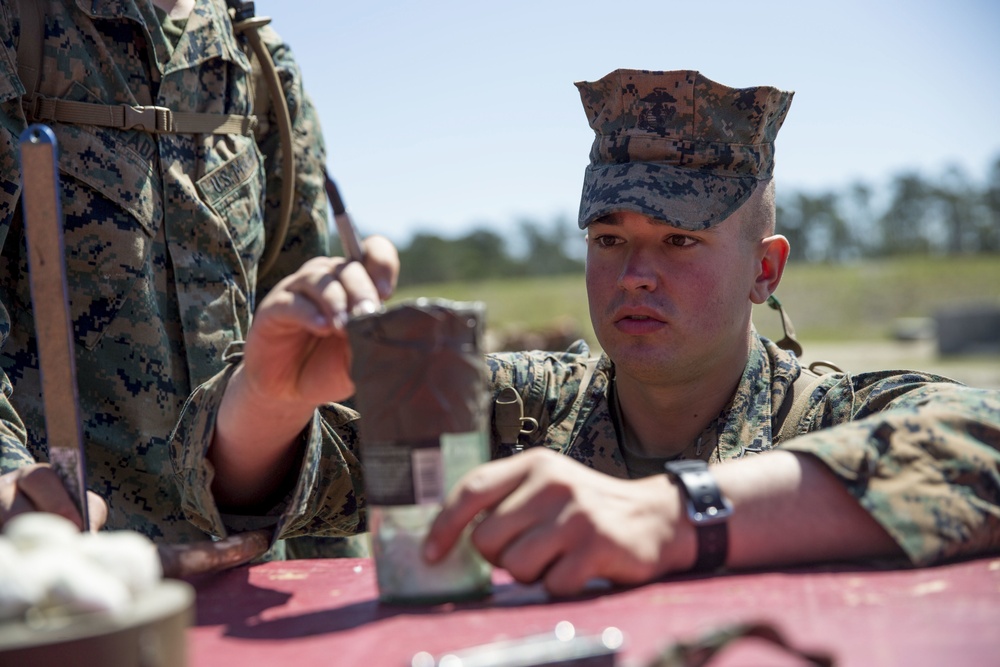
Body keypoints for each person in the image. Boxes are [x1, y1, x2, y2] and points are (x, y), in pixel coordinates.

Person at [181, 67, 1000, 594]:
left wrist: (671, 518)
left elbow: (985, 441)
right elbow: (307, 478)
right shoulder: (520, 412)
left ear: (765, 270)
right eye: (610, 239)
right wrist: (269, 400)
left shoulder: (827, 417)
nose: (636, 272)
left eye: (681, 240)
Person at [0, 0, 397, 557]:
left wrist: (327, 580)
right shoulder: (21, 26)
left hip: (254, 575)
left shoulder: (257, 59)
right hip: (80, 581)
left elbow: (310, 372)